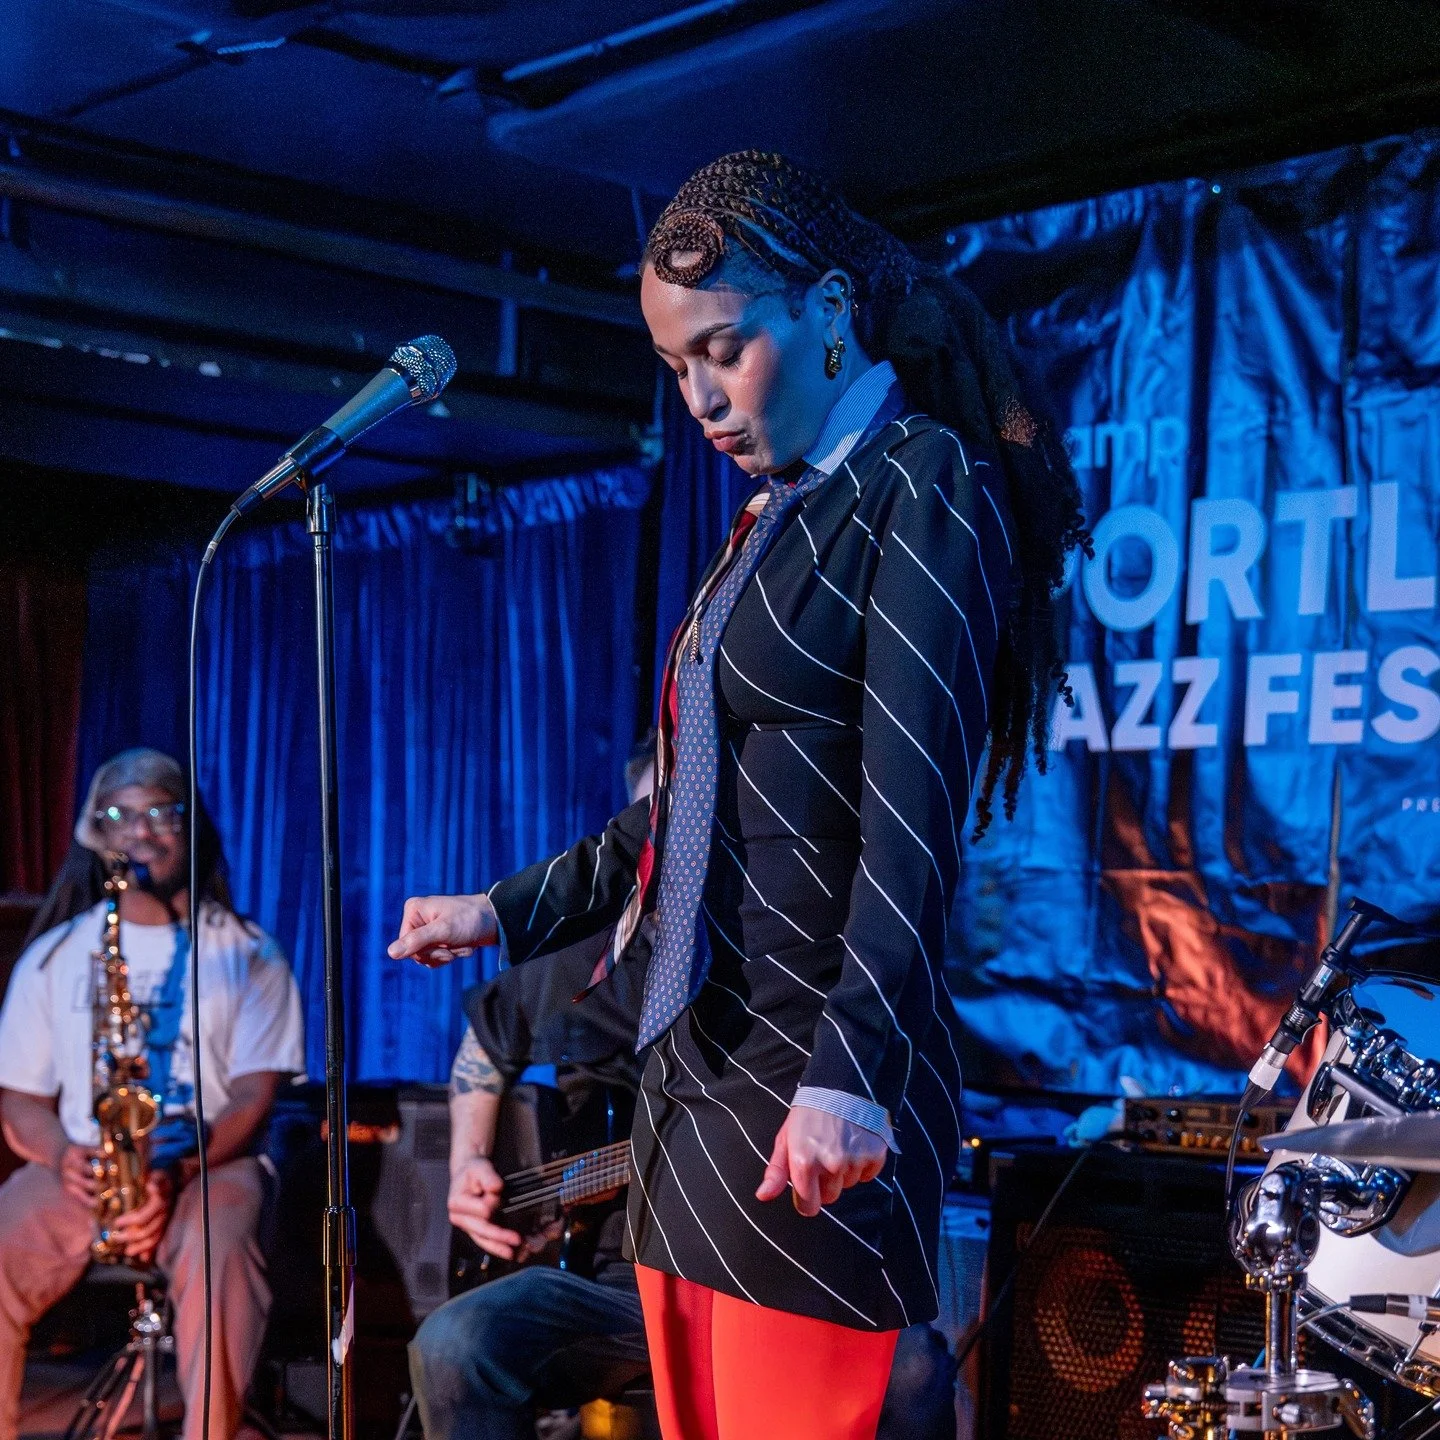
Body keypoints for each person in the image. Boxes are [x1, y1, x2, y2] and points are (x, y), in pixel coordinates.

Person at [390, 151, 1086, 1440]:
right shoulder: (776, 517)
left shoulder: (917, 485)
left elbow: (912, 818)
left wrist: (848, 1076)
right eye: (675, 367)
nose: (702, 396)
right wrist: (500, 910)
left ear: (827, 313)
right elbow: (688, 812)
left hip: (803, 1079)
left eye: (726, 349)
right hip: (694, 1075)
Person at [408, 746, 957, 1439]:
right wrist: (468, 1161)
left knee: (911, 1370)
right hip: (623, 1282)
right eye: (660, 831)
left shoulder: (820, 962)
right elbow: (487, 1036)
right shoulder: (598, 958)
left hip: (788, 1268)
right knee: (456, 1344)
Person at [0, 748, 306, 1440]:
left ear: (190, 826)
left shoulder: (249, 952)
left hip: (206, 1163)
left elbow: (255, 1099)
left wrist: (179, 1168)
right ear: (96, 837)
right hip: (83, 1165)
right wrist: (61, 1158)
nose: (141, 832)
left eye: (161, 813)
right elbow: (19, 1099)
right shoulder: (55, 956)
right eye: (120, 817)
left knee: (219, 1258)